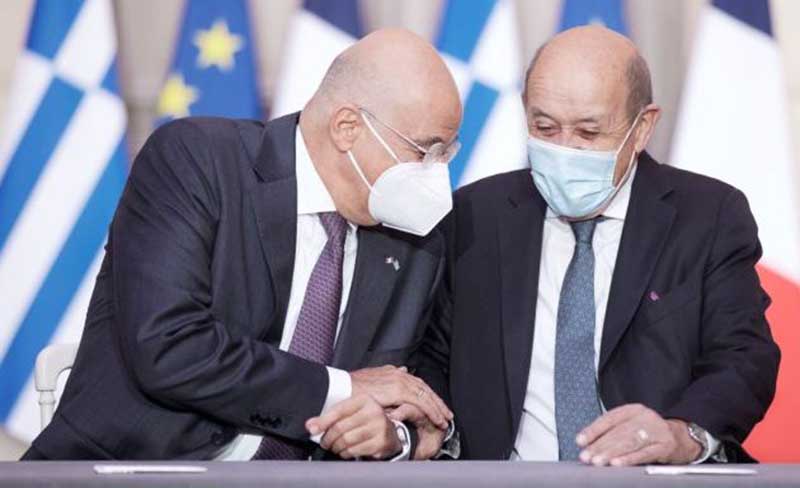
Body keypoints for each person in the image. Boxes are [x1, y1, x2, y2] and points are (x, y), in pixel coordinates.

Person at [22, 28, 462, 461]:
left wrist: (394, 437)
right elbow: (169, 345)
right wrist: (343, 389)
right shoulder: (196, 160)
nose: (436, 174)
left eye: (447, 154)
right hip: (133, 468)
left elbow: (409, 390)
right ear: (347, 128)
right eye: (425, 151)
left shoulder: (414, 247)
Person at [409, 25, 780, 465]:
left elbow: (743, 357)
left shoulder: (708, 215)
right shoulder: (474, 214)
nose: (564, 149)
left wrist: (684, 434)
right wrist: (438, 433)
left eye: (588, 133)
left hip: (651, 476)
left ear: (642, 128)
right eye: (545, 127)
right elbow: (430, 354)